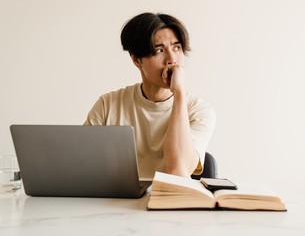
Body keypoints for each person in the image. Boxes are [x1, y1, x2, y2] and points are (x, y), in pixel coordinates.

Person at [84, 12, 215, 178]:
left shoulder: (199, 111)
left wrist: (179, 94)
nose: (172, 59)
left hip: (172, 201)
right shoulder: (107, 105)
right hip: (117, 201)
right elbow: (82, 166)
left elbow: (177, 171)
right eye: (159, 50)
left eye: (177, 47)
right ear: (137, 60)